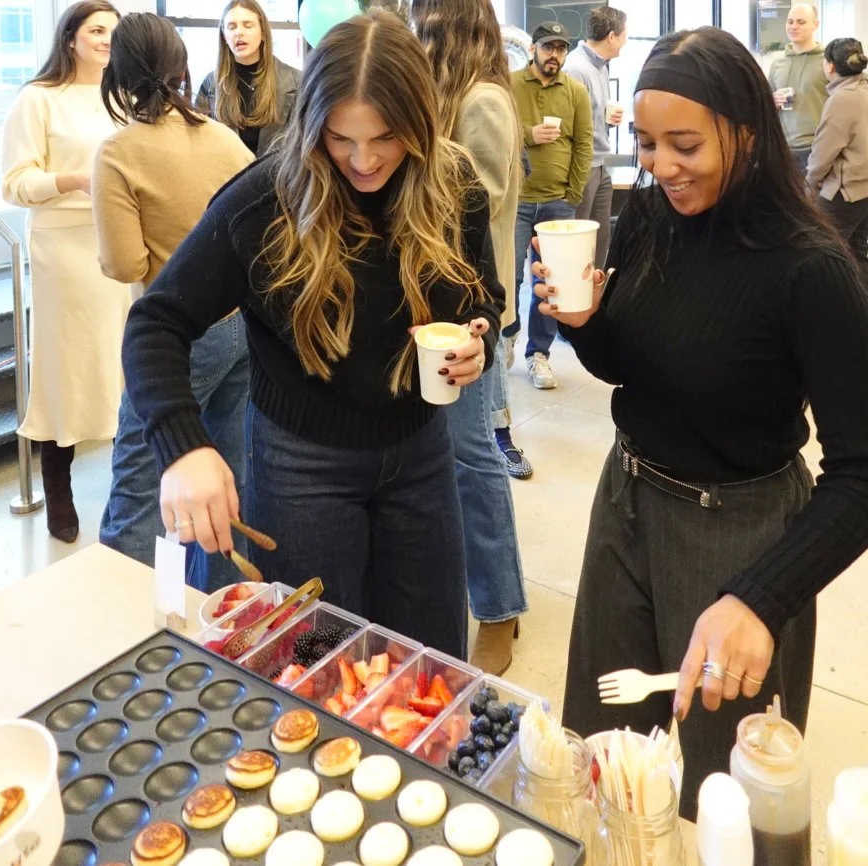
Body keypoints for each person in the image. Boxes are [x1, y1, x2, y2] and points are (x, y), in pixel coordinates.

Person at [543, 28, 868, 820]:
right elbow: (628, 367)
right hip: (626, 501)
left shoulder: (810, 268)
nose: (662, 165)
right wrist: (583, 322)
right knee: (602, 754)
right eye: (644, 143)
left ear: (745, 132)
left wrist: (760, 598)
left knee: (720, 791)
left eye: (685, 144)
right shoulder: (648, 216)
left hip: (739, 529)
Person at [121, 11, 504, 661]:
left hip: (419, 453)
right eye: (340, 138)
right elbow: (156, 322)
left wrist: (479, 341)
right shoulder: (263, 201)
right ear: (311, 125)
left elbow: (482, 300)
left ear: (421, 124)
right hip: (300, 465)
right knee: (319, 665)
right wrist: (184, 447)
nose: (363, 159)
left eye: (386, 138)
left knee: (433, 662)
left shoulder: (453, 184)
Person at [93, 13, 254, 592]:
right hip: (243, 328)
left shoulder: (118, 153)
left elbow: (124, 265)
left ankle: (122, 624)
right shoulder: (224, 137)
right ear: (183, 68)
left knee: (140, 479)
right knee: (227, 476)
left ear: (117, 74)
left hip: (175, 338)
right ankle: (221, 610)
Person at [413, 0, 527, 675]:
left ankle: (499, 606)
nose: (417, 31)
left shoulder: (482, 99)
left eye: (427, 20)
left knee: (471, 458)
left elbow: (467, 205)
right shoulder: (447, 94)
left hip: (469, 312)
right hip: (432, 311)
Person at [1, 0, 127, 544]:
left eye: (113, 33)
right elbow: (14, 183)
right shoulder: (38, 99)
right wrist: (72, 180)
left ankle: (128, 491)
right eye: (96, 30)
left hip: (118, 245)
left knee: (122, 364)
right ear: (71, 37)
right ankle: (58, 486)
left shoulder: (123, 97)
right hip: (63, 249)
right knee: (65, 370)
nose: (106, 40)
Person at [503, 21, 592, 392]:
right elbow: (499, 129)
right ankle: (507, 336)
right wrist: (530, 135)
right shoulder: (508, 83)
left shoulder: (575, 90)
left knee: (550, 282)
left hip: (558, 203)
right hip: (518, 199)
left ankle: (538, 353)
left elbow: (583, 143)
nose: (554, 54)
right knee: (512, 277)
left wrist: (572, 193)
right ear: (533, 50)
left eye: (561, 48)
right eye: (548, 47)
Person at [806, 38, 868, 304]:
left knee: (820, 253)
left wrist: (810, 185)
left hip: (847, 191)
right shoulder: (866, 89)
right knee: (857, 252)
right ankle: (863, 313)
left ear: (829, 66)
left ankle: (833, 316)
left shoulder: (842, 99)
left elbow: (822, 153)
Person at [564, 6, 628, 268]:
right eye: (624, 35)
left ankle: (596, 297)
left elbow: (589, 114)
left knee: (601, 238)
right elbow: (569, 124)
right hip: (582, 167)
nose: (626, 41)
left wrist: (605, 116)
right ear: (611, 36)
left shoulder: (601, 67)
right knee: (578, 240)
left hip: (600, 165)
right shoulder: (576, 69)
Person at [195, 0, 300, 157]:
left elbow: (302, 145)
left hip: (277, 178)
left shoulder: (296, 81)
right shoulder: (210, 84)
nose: (239, 32)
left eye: (247, 25)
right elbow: (199, 142)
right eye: (231, 27)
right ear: (224, 36)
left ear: (263, 32)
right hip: (228, 178)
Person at [768, 3, 827, 174]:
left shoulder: (827, 62)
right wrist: (771, 100)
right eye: (790, 21)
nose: (794, 26)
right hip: (784, 148)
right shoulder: (777, 64)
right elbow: (765, 105)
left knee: (814, 200)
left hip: (818, 147)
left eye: (801, 22)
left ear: (815, 25)